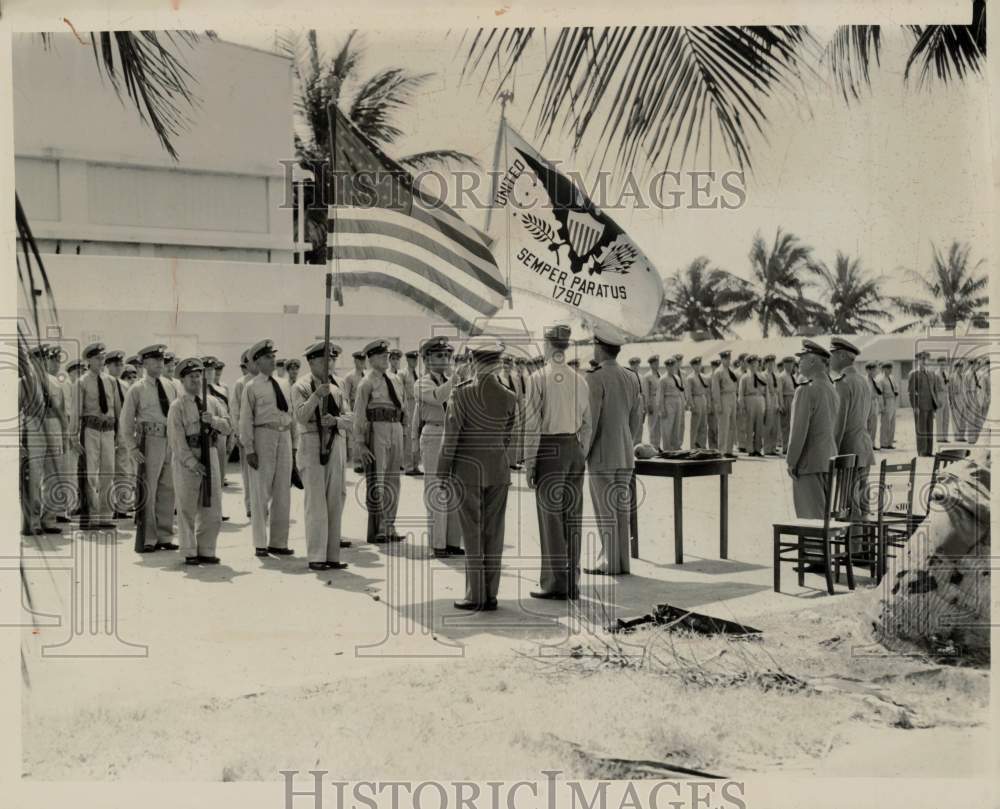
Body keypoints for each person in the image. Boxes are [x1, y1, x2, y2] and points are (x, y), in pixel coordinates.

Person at [436, 340, 516, 610]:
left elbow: (451, 439)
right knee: (494, 533)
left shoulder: (461, 393)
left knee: (471, 534)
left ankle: (475, 595)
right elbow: (507, 437)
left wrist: (442, 472)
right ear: (496, 362)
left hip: (467, 472)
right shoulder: (508, 395)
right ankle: (491, 595)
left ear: (473, 361)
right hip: (498, 470)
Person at [524, 325, 592, 600]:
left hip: (548, 447)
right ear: (565, 345)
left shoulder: (538, 377)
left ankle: (555, 583)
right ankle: (573, 582)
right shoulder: (581, 379)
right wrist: (580, 452)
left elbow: (532, 424)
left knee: (550, 519)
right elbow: (587, 424)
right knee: (573, 517)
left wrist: (530, 463)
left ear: (547, 344)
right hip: (573, 447)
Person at [582, 329, 642, 576]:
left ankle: (609, 562)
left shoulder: (595, 378)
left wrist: (583, 452)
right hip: (625, 451)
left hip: (602, 454)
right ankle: (621, 563)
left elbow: (591, 422)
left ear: (598, 348)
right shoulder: (631, 376)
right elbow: (636, 417)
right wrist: (628, 440)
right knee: (621, 510)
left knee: (605, 512)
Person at [290, 341, 354, 571]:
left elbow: (351, 418)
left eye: (333, 360)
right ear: (312, 362)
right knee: (316, 503)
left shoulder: (337, 388)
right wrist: (317, 396)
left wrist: (336, 421)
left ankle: (332, 555)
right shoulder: (301, 387)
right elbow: (300, 415)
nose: (330, 365)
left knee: (336, 500)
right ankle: (317, 556)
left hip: (335, 444)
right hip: (312, 443)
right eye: (325, 360)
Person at [167, 358, 232, 565]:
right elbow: (176, 439)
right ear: (183, 380)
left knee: (212, 505)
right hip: (188, 458)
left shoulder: (213, 402)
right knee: (187, 505)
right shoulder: (177, 406)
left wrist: (212, 420)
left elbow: (229, 427)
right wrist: (191, 462)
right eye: (191, 377)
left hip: (210, 452)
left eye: (198, 376)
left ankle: (207, 549)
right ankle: (189, 551)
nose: (196, 380)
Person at [239, 339, 295, 558]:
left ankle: (279, 542)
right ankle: (260, 543)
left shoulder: (283, 383)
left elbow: (290, 415)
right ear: (257, 362)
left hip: (284, 436)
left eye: (273, 356)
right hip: (263, 435)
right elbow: (245, 419)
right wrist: (249, 448)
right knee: (260, 491)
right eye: (267, 357)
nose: (272, 361)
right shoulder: (251, 387)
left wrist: (294, 445)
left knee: (283, 491)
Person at [120, 344, 178, 549]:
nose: (160, 363)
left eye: (162, 360)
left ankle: (165, 536)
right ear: (144, 363)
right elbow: (126, 421)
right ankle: (148, 538)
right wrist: (132, 448)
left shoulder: (171, 385)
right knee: (149, 490)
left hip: (169, 440)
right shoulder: (137, 388)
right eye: (155, 360)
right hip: (149, 441)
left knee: (168, 489)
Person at [414, 337, 463, 558]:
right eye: (439, 356)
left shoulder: (452, 380)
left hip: (452, 434)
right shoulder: (423, 382)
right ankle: (438, 543)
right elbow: (436, 397)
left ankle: (453, 541)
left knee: (454, 490)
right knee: (436, 488)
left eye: (447, 356)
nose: (444, 360)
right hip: (434, 433)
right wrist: (455, 380)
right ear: (427, 359)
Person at [353, 339, 406, 544]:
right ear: (371, 358)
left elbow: (402, 405)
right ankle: (379, 528)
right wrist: (361, 443)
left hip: (395, 427)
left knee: (394, 479)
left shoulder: (395, 379)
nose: (386, 358)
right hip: (377, 428)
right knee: (378, 479)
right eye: (381, 355)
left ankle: (390, 525)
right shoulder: (366, 383)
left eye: (387, 355)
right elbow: (359, 414)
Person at [830, 337, 875, 551]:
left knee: (850, 500)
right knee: (861, 499)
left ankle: (855, 549)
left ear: (841, 356)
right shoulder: (863, 382)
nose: (829, 359)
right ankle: (862, 546)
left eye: (832, 354)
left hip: (848, 448)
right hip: (864, 446)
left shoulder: (843, 383)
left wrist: (832, 452)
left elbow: (839, 424)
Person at [785, 340, 839, 518]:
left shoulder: (806, 390)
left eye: (802, 358)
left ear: (814, 361)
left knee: (811, 521)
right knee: (823, 518)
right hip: (828, 460)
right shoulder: (832, 389)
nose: (798, 363)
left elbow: (798, 432)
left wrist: (791, 461)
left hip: (809, 463)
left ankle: (814, 547)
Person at [231, 349, 256, 519]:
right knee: (248, 472)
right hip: (247, 432)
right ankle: (250, 506)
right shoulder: (241, 383)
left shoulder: (266, 381)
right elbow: (235, 411)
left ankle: (261, 504)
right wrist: (238, 433)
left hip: (263, 433)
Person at [60, 358, 85, 524]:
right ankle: (67, 507)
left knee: (81, 472)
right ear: (70, 373)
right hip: (69, 433)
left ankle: (77, 504)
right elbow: (67, 413)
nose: (80, 375)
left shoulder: (81, 388)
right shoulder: (66, 387)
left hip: (83, 431)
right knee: (68, 471)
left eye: (82, 371)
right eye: (77, 372)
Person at [908, 351, 940, 457]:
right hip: (920, 406)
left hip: (930, 405)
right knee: (921, 429)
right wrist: (915, 406)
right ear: (917, 361)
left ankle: (929, 451)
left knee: (930, 429)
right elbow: (911, 392)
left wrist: (935, 405)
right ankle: (922, 451)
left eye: (926, 359)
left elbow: (934, 390)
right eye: (922, 359)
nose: (924, 361)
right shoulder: (914, 374)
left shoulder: (931, 374)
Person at [343, 350, 367, 474]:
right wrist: (349, 412)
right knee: (356, 436)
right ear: (355, 361)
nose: (361, 362)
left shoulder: (368, 375)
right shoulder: (349, 377)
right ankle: (357, 462)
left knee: (367, 435)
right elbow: (346, 396)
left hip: (367, 409)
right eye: (359, 360)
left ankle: (366, 461)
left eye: (363, 360)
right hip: (355, 408)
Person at [711, 350, 738, 458]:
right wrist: (718, 404)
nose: (728, 361)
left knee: (732, 425)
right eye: (726, 359)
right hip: (724, 397)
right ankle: (722, 450)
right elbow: (715, 389)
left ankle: (729, 450)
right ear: (721, 359)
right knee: (723, 426)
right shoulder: (718, 372)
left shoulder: (730, 371)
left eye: (729, 359)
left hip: (732, 397)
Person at [737, 355, 766, 456]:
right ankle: (750, 449)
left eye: (756, 363)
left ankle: (758, 449)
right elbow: (740, 393)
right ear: (748, 365)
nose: (754, 365)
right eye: (752, 364)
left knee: (759, 426)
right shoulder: (744, 377)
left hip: (759, 399)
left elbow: (765, 392)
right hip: (749, 399)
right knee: (749, 426)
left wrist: (764, 404)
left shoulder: (762, 376)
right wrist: (742, 406)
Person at [657, 356, 685, 452]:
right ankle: (667, 448)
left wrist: (682, 403)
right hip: (668, 401)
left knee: (677, 425)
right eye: (669, 366)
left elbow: (680, 391)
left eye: (672, 366)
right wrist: (662, 409)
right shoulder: (663, 379)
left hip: (677, 401)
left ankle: (675, 446)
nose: (671, 368)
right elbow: (660, 395)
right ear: (666, 367)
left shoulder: (677, 377)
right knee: (667, 426)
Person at [761, 354, 781, 455]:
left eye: (772, 364)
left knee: (775, 426)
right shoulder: (763, 375)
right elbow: (765, 391)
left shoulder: (776, 376)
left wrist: (779, 403)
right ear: (765, 364)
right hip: (768, 399)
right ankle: (767, 448)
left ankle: (773, 448)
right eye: (769, 364)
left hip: (775, 399)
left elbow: (779, 391)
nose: (771, 366)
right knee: (767, 425)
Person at [877, 362, 899, 449]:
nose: (890, 370)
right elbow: (880, 394)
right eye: (888, 368)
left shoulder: (891, 378)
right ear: (883, 369)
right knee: (885, 423)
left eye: (890, 368)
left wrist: (896, 393)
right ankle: (884, 443)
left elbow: (896, 387)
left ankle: (890, 442)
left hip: (892, 400)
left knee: (892, 423)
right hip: (886, 401)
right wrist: (882, 406)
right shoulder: (880, 379)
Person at [642, 354, 662, 449]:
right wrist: (647, 405)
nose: (657, 365)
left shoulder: (659, 374)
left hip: (659, 401)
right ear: (651, 364)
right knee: (653, 425)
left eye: (657, 363)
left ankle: (657, 445)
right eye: (655, 363)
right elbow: (646, 392)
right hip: (652, 400)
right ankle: (653, 446)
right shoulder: (647, 376)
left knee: (659, 424)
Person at [626, 357, 645, 446]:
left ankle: (638, 444)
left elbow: (643, 392)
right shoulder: (628, 376)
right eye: (634, 365)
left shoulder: (641, 377)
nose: (636, 367)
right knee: (632, 423)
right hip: (632, 400)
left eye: (637, 365)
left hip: (640, 399)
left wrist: (644, 406)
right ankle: (631, 445)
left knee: (640, 423)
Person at [934, 356, 952, 443]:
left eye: (944, 363)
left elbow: (948, 384)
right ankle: (940, 438)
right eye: (941, 363)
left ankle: (945, 437)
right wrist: (936, 400)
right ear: (938, 364)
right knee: (939, 418)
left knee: (946, 417)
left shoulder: (946, 373)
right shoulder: (936, 374)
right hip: (939, 395)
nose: (943, 365)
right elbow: (935, 388)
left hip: (946, 395)